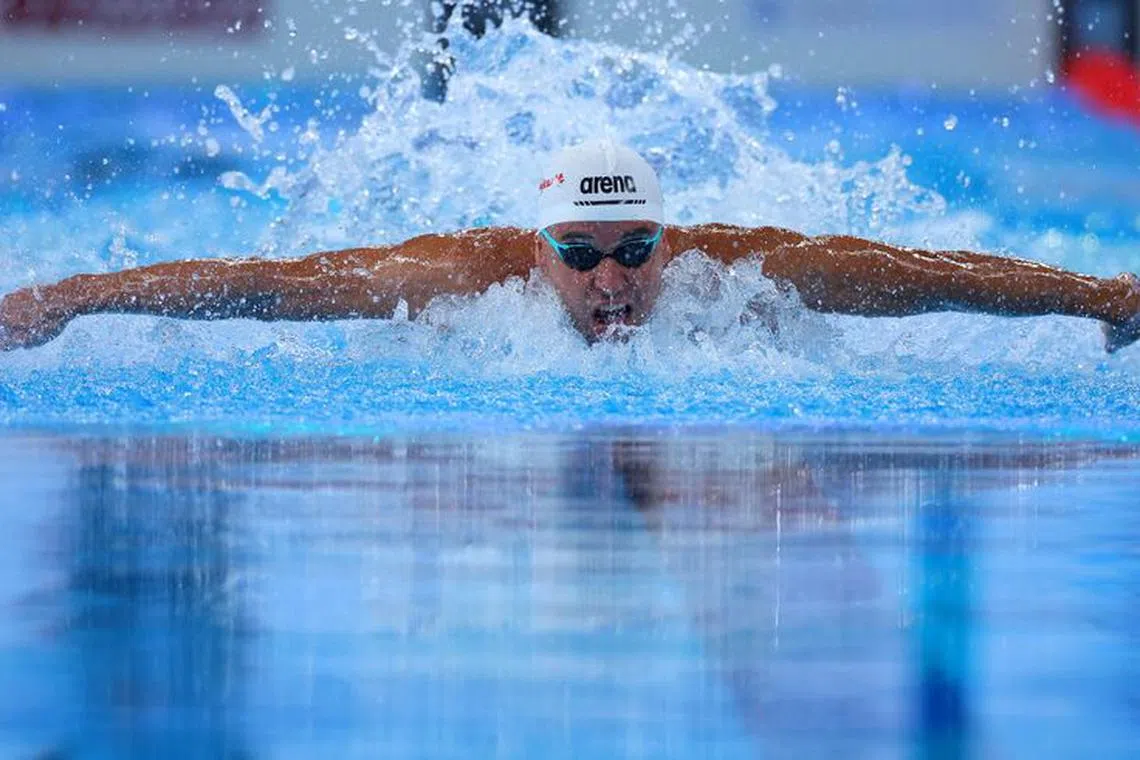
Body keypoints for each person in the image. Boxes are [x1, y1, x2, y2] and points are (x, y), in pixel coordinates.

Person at [1, 139, 1139, 352]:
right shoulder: (460, 277)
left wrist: (1101, 295)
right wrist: (65, 298)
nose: (612, 280)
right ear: (534, 250)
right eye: (581, 253)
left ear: (671, 237)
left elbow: (929, 281)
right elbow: (264, 286)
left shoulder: (729, 268)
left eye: (636, 247)